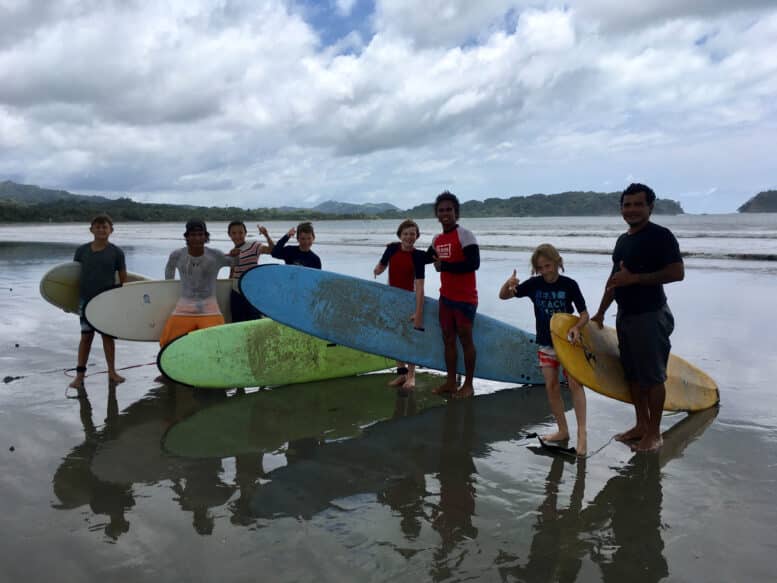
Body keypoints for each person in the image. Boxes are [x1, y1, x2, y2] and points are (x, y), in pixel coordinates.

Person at [591, 183, 684, 452]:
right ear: (621, 208)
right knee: (632, 375)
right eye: (627, 205)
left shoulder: (661, 236)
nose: (631, 210)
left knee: (653, 378)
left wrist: (637, 279)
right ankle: (641, 424)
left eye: (637, 204)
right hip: (626, 316)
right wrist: (600, 311)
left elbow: (677, 272)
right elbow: (615, 279)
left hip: (650, 316)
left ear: (650, 207)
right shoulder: (623, 240)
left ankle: (654, 433)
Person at [499, 244, 589, 455]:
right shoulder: (534, 284)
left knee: (575, 385)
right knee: (551, 386)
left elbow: (584, 314)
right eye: (540, 268)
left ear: (558, 262)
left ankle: (582, 434)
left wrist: (577, 327)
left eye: (548, 265)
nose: (545, 271)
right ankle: (563, 430)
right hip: (546, 343)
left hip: (568, 343)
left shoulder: (569, 285)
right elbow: (504, 296)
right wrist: (508, 284)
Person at [427, 191, 479, 399]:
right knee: (448, 339)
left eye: (449, 209)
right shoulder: (437, 239)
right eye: (441, 210)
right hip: (446, 298)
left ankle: (468, 385)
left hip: (465, 299)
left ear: (456, 213)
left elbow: (473, 263)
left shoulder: (465, 235)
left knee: (465, 340)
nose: (445, 213)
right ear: (437, 215)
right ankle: (450, 382)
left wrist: (444, 265)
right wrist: (396, 249)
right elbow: (424, 257)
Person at [69, 213, 128, 388]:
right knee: (86, 337)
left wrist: (122, 301)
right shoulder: (81, 251)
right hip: (85, 300)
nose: (101, 229)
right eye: (98, 226)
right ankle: (79, 376)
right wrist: (67, 302)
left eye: (105, 227)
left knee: (107, 337)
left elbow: (123, 279)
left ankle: (112, 372)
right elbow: (73, 277)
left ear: (111, 230)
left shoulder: (116, 252)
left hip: (106, 301)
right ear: (91, 229)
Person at [159, 219, 235, 347]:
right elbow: (169, 275)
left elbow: (235, 263)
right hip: (184, 308)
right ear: (187, 237)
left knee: (220, 344)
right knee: (167, 344)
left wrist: (237, 250)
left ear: (206, 236)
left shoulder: (215, 255)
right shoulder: (177, 255)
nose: (197, 238)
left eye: (200, 234)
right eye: (193, 235)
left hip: (210, 309)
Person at [373, 219, 427, 390]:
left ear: (417, 236)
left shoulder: (418, 256)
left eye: (412, 234)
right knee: (395, 338)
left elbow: (419, 286)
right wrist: (377, 270)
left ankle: (411, 376)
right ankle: (401, 374)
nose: (409, 237)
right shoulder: (392, 248)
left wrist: (419, 311)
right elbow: (382, 265)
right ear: (400, 235)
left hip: (408, 299)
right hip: (392, 298)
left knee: (409, 339)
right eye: (405, 234)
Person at [226, 221, 274, 322]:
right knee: (237, 323)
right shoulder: (233, 252)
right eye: (233, 233)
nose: (237, 236)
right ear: (229, 235)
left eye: (240, 232)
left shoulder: (254, 246)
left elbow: (272, 250)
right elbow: (233, 272)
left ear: (245, 233)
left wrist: (266, 235)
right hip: (236, 292)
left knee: (254, 323)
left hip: (251, 292)